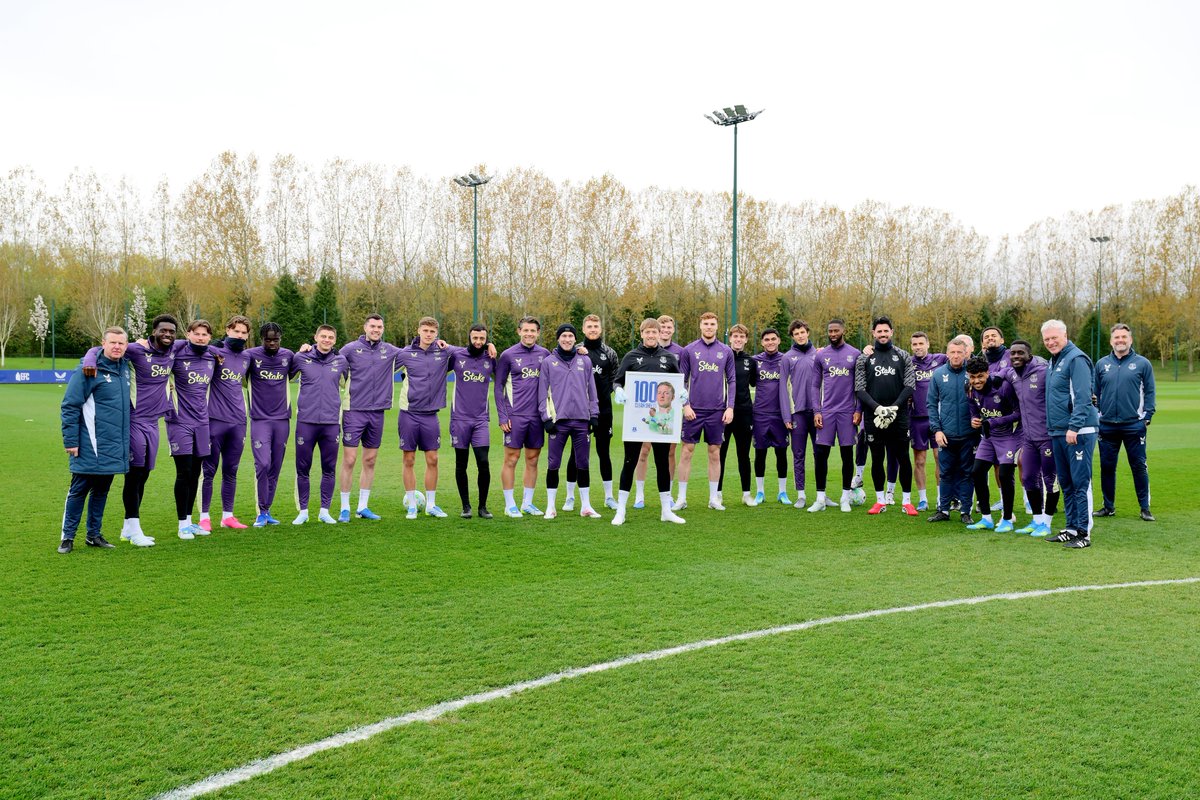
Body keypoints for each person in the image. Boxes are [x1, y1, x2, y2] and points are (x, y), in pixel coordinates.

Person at [81, 314, 178, 546]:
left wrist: (215, 350)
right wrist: (89, 361)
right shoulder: (135, 350)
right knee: (134, 476)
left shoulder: (175, 349)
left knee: (144, 474)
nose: (167, 335)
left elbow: (199, 344)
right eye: (162, 331)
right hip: (134, 420)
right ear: (153, 332)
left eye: (171, 332)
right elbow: (98, 348)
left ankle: (128, 527)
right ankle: (134, 530)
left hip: (154, 423)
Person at [58, 327, 130, 554]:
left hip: (113, 444)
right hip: (90, 443)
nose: (117, 346)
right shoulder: (88, 369)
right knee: (78, 490)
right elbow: (69, 406)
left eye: (121, 343)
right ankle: (67, 537)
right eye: (113, 342)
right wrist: (71, 441)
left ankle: (93, 535)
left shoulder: (125, 368)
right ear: (103, 344)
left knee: (102, 491)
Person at [612, 317, 685, 526]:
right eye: (647, 332)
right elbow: (617, 380)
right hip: (636, 419)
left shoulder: (669, 358)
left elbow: (678, 383)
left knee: (663, 463)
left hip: (662, 421)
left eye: (655, 332)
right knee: (630, 462)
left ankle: (666, 510)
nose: (651, 335)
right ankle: (621, 510)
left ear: (659, 333)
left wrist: (682, 392)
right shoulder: (631, 356)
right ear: (642, 334)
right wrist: (618, 390)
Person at [336, 314, 403, 522]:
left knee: (370, 460)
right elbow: (330, 361)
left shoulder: (390, 351)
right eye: (372, 326)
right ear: (365, 327)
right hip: (353, 410)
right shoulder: (349, 349)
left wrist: (437, 343)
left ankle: (362, 507)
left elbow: (414, 353)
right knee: (349, 459)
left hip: (377, 412)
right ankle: (345, 508)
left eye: (380, 326)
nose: (376, 329)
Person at [1042, 319, 1098, 548]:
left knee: (1080, 482)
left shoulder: (1076, 359)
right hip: (1058, 431)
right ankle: (1071, 527)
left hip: (1078, 431)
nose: (1050, 342)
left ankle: (1084, 533)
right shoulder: (1053, 361)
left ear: (1065, 335)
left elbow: (1084, 397)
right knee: (1065, 482)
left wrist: (1074, 427)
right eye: (1046, 339)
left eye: (1054, 337)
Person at [854, 316, 918, 516]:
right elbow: (859, 388)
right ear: (873, 333)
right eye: (878, 331)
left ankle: (907, 501)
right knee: (877, 458)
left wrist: (893, 408)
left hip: (899, 417)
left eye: (885, 331)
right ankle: (880, 500)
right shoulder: (864, 358)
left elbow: (910, 385)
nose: (882, 334)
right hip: (874, 417)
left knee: (903, 457)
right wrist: (878, 408)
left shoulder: (903, 355)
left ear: (892, 331)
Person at [538, 324, 602, 519]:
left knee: (583, 463)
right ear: (558, 339)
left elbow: (592, 390)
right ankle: (551, 506)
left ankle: (586, 506)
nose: (567, 339)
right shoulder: (548, 362)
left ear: (576, 339)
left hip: (581, 421)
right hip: (559, 422)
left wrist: (594, 414)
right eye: (563, 336)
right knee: (554, 463)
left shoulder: (585, 360)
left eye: (570, 336)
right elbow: (542, 392)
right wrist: (546, 418)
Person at [1094, 323, 1156, 521]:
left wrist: (1147, 417)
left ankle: (1145, 508)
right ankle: (1108, 506)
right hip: (1107, 426)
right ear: (1111, 341)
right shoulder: (1101, 364)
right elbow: (1094, 393)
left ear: (1130, 340)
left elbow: (1150, 390)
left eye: (1124, 337)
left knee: (1139, 466)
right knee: (1107, 467)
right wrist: (1097, 415)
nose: (1120, 340)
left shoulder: (1142, 363)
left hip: (1133, 425)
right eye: (1117, 338)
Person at [675, 312, 735, 511]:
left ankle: (713, 499)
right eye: (705, 324)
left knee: (714, 453)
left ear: (717, 327)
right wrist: (685, 405)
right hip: (694, 410)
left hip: (717, 411)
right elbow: (682, 380)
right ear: (700, 326)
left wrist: (730, 407)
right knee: (686, 452)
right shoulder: (689, 350)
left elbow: (732, 380)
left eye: (712, 324)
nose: (709, 327)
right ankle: (681, 498)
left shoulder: (726, 351)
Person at [290, 324, 348, 525]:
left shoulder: (341, 361)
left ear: (334, 340)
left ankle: (324, 510)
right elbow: (285, 377)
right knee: (303, 468)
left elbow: (348, 385)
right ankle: (303, 511)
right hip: (306, 422)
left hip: (331, 423)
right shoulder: (300, 358)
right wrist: (299, 350)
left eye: (330, 337)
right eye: (323, 336)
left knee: (329, 468)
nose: (326, 340)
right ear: (315, 337)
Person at [199, 315, 252, 531]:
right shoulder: (213, 352)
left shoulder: (247, 358)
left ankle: (227, 516)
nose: (239, 336)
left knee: (231, 469)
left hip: (238, 421)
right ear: (227, 330)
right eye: (236, 331)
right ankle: (204, 516)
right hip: (214, 420)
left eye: (243, 333)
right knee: (209, 470)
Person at [168, 320, 219, 539]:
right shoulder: (176, 353)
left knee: (196, 473)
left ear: (209, 337)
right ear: (188, 334)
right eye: (196, 333)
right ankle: (181, 525)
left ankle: (190, 521)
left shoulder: (212, 357)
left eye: (204, 334)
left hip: (202, 422)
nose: (200, 337)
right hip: (179, 421)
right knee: (184, 472)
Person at [398, 317, 453, 519]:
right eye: (425, 330)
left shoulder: (444, 352)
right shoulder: (405, 354)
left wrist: (489, 344)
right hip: (409, 414)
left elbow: (468, 351)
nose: (428, 334)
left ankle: (430, 505)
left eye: (432, 331)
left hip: (431, 415)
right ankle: (412, 505)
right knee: (409, 459)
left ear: (436, 333)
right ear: (418, 330)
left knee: (433, 459)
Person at [1003, 340, 1059, 537]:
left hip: (1047, 437)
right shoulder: (1011, 373)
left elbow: (1061, 391)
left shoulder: (1044, 371)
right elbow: (995, 377)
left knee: (1050, 481)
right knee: (1027, 478)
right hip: (1028, 438)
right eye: (1013, 354)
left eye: (1020, 353)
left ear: (1030, 355)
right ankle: (1036, 520)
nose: (1016, 356)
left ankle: (1048, 522)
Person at [496, 317, 550, 518]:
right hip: (515, 416)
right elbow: (498, 387)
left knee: (533, 459)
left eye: (533, 331)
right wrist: (503, 416)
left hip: (537, 417)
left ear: (538, 333)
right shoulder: (508, 355)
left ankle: (527, 503)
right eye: (525, 330)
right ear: (519, 331)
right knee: (511, 458)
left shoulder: (545, 354)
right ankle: (510, 505)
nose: (529, 334)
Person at [565, 314, 619, 511]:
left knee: (604, 453)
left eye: (596, 326)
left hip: (604, 410)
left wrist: (610, 392)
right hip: (580, 411)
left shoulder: (610, 353)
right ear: (584, 328)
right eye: (589, 326)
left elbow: (615, 378)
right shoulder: (576, 350)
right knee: (576, 454)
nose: (593, 329)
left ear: (601, 329)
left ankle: (609, 497)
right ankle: (570, 497)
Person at [808, 319, 862, 513]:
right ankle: (820, 498)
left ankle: (845, 498)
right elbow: (815, 385)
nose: (832, 334)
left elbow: (860, 386)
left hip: (848, 413)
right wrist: (817, 410)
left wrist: (858, 410)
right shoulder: (822, 356)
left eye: (836, 330)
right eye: (829, 330)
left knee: (847, 456)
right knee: (821, 455)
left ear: (843, 331)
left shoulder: (855, 354)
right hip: (827, 412)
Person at [963, 355, 1022, 531]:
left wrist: (994, 422)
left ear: (988, 373)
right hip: (988, 437)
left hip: (1008, 436)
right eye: (972, 377)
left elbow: (1018, 413)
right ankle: (986, 518)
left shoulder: (1002, 387)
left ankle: (1007, 519)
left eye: (980, 376)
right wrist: (974, 419)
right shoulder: (970, 389)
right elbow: (974, 409)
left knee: (1004, 475)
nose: (976, 380)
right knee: (977, 471)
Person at [245, 322, 294, 527]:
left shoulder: (288, 356)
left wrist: (308, 348)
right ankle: (260, 511)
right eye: (268, 339)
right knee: (263, 464)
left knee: (275, 467)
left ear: (280, 338)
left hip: (282, 420)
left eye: (275, 339)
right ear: (261, 339)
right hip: (260, 420)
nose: (272, 343)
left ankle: (267, 510)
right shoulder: (251, 356)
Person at [633, 314, 685, 507]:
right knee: (643, 451)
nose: (665, 329)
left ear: (672, 329)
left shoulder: (679, 352)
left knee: (669, 453)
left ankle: (667, 494)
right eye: (661, 326)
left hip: (668, 411)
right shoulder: (641, 352)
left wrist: (683, 396)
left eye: (668, 326)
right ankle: (639, 495)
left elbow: (680, 379)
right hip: (646, 409)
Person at [926, 336, 977, 524]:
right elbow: (931, 404)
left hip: (968, 434)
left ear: (966, 353)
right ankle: (944, 510)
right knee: (945, 473)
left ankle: (966, 511)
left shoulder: (972, 373)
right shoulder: (938, 374)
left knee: (966, 473)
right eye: (952, 352)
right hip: (945, 435)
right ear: (947, 354)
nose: (956, 356)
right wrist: (936, 430)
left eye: (959, 353)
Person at [448, 324, 496, 519]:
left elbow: (503, 380)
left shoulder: (490, 359)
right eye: (475, 338)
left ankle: (482, 507)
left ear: (486, 340)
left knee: (483, 462)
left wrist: (491, 346)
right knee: (462, 463)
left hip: (480, 420)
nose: (478, 342)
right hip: (459, 419)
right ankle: (466, 506)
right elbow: (439, 350)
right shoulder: (457, 356)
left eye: (482, 339)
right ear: (469, 337)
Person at [782, 319, 818, 509]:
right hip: (797, 414)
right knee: (798, 454)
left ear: (808, 332)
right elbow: (782, 388)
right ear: (793, 337)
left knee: (820, 453)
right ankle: (801, 494)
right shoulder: (788, 357)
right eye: (796, 334)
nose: (800, 336)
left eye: (802, 332)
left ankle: (822, 494)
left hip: (817, 413)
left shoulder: (820, 355)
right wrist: (787, 416)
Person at [909, 331, 947, 511]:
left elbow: (960, 356)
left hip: (938, 419)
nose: (918, 347)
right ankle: (923, 499)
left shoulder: (940, 359)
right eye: (914, 344)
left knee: (940, 458)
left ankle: (941, 498)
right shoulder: (907, 363)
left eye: (920, 343)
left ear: (928, 344)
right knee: (920, 461)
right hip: (916, 419)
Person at [752, 328, 791, 505]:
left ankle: (782, 492)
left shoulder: (786, 359)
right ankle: (760, 492)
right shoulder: (755, 361)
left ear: (779, 340)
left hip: (780, 415)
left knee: (781, 453)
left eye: (773, 339)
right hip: (760, 414)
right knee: (760, 454)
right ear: (762, 342)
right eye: (766, 339)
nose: (770, 342)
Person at [718, 324, 756, 505]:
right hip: (722, 413)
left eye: (742, 336)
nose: (738, 339)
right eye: (735, 336)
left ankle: (746, 494)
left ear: (746, 339)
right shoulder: (722, 358)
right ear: (730, 338)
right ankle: (717, 493)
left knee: (744, 454)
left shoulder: (751, 361)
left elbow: (756, 383)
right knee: (720, 454)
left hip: (744, 413)